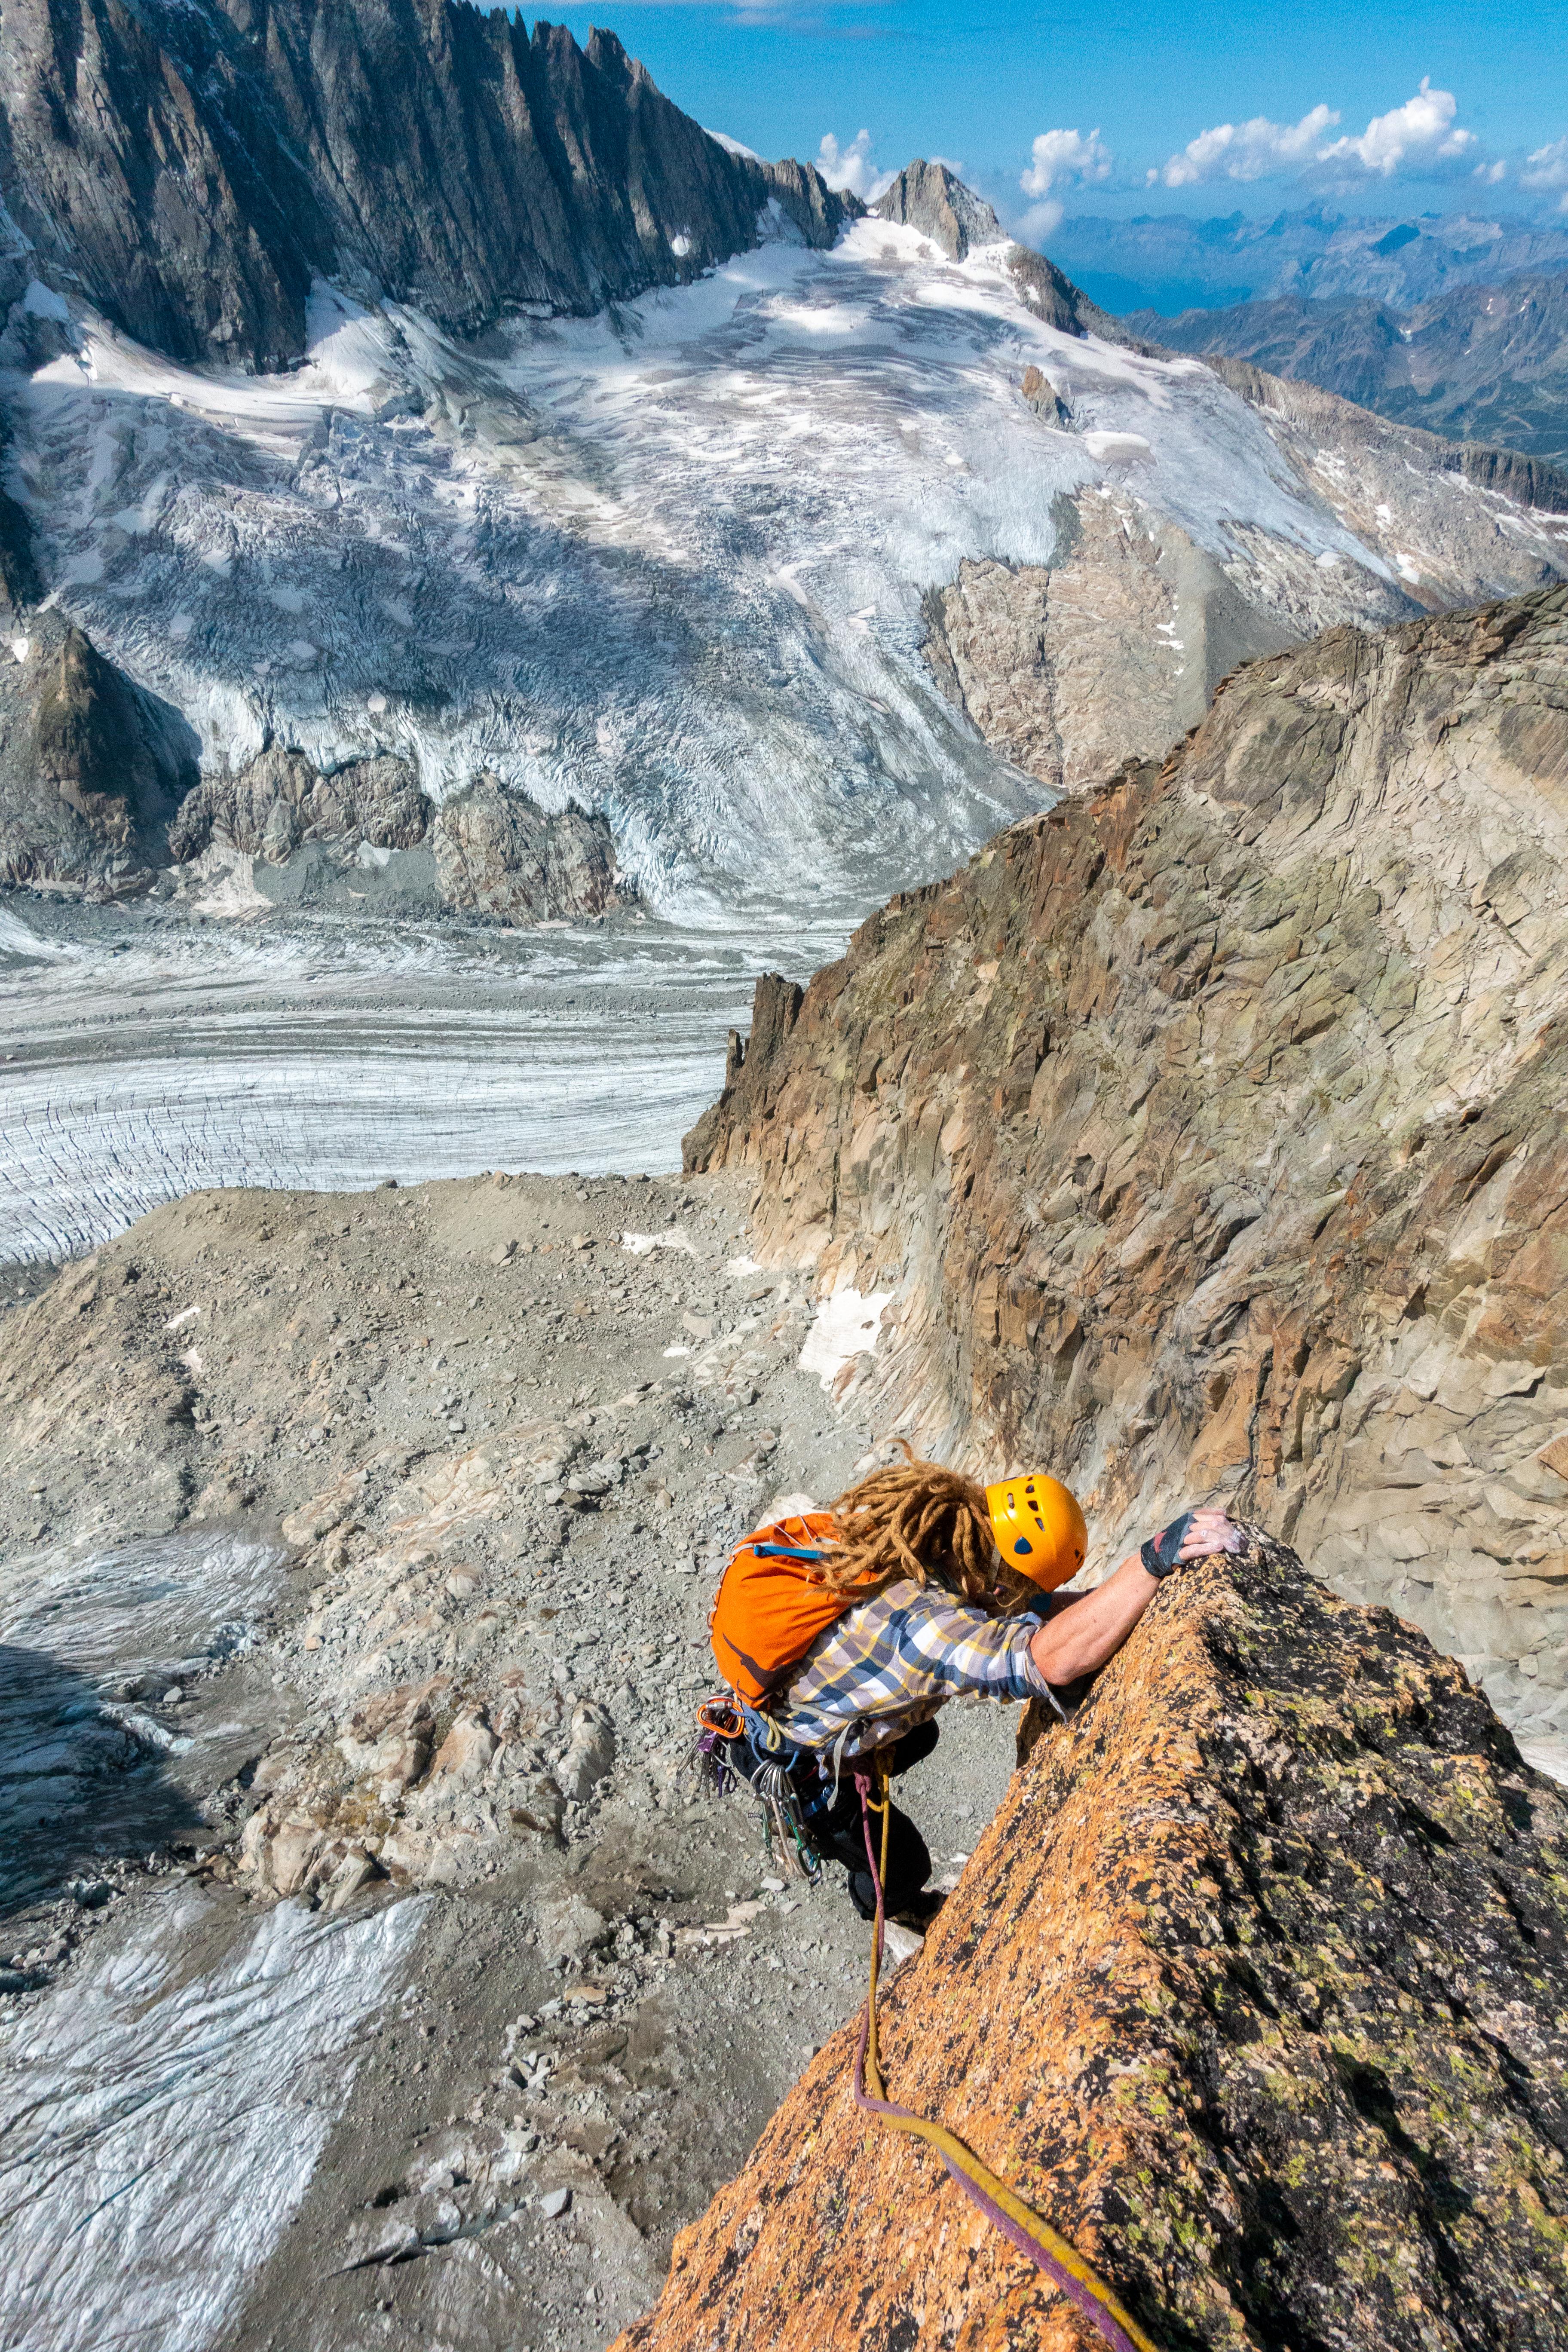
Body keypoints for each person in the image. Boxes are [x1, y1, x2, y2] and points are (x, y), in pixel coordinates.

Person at [708, 1449, 1241, 1927]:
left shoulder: (926, 1540)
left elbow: (1030, 1609)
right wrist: (1149, 1564)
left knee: (921, 1737)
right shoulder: (926, 1629)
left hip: (775, 1707)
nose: (1024, 1600)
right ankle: (892, 1907)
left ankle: (864, 1758)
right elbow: (1046, 1661)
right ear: (1000, 1579)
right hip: (800, 1768)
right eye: (1022, 1588)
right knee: (904, 1867)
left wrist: (1121, 1596)